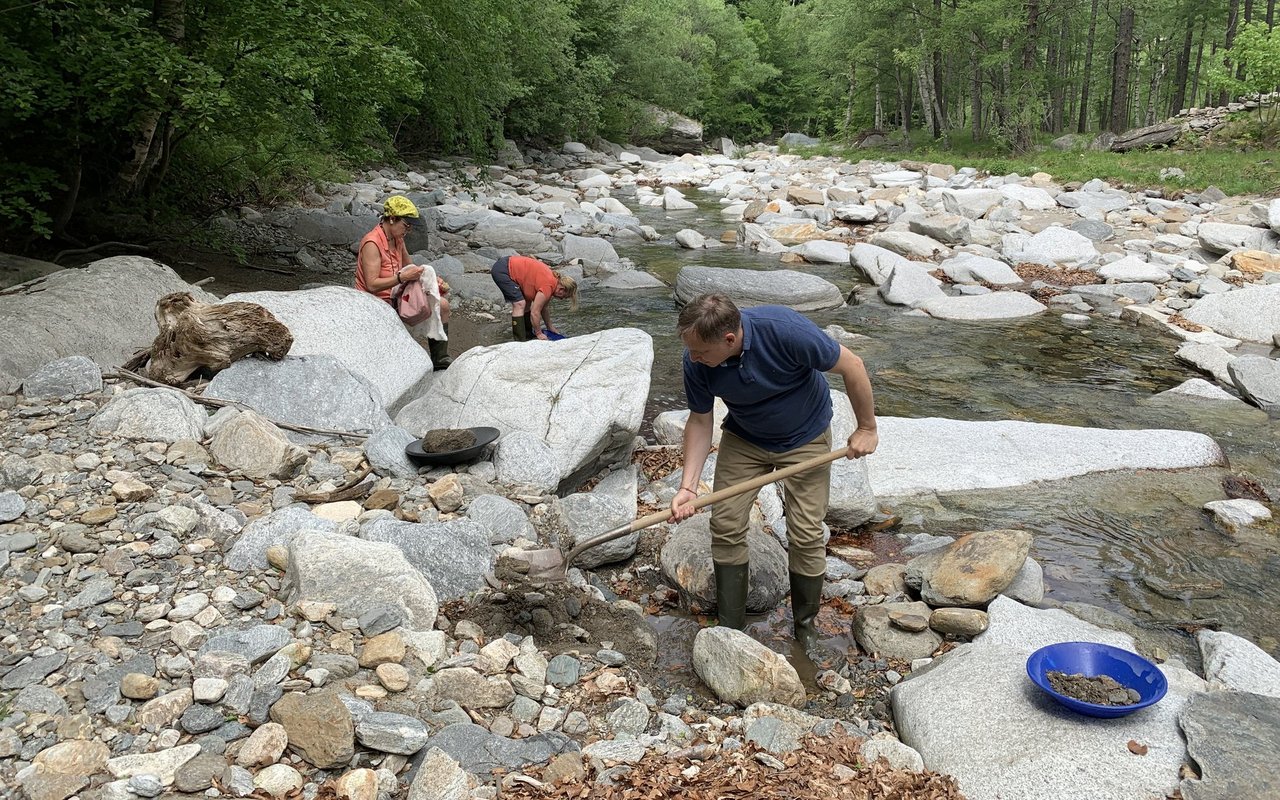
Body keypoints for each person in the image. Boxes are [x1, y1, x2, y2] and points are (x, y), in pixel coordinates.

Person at [669, 293, 879, 652]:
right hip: (745, 437)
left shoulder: (784, 330)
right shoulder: (697, 361)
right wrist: (688, 487)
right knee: (725, 524)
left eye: (700, 351)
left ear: (729, 339)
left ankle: (805, 629)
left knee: (806, 533)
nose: (693, 357)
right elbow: (701, 421)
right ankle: (731, 629)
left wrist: (867, 428)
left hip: (805, 435)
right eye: (691, 350)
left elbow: (853, 365)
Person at [356, 195, 452, 369]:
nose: (408, 231)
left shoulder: (397, 239)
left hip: (396, 295)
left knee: (442, 305)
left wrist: (431, 281)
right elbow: (371, 284)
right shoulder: (372, 242)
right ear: (392, 219)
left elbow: (411, 267)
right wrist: (401, 278)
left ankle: (439, 359)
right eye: (406, 226)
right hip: (376, 301)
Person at [489, 254, 579, 341]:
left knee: (527, 303)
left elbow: (544, 308)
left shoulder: (553, 282)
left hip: (508, 264)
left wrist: (550, 327)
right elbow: (535, 312)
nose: (562, 299)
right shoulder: (548, 286)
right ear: (562, 289)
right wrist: (539, 333)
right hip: (504, 270)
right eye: (564, 297)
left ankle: (528, 335)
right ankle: (519, 341)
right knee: (520, 304)